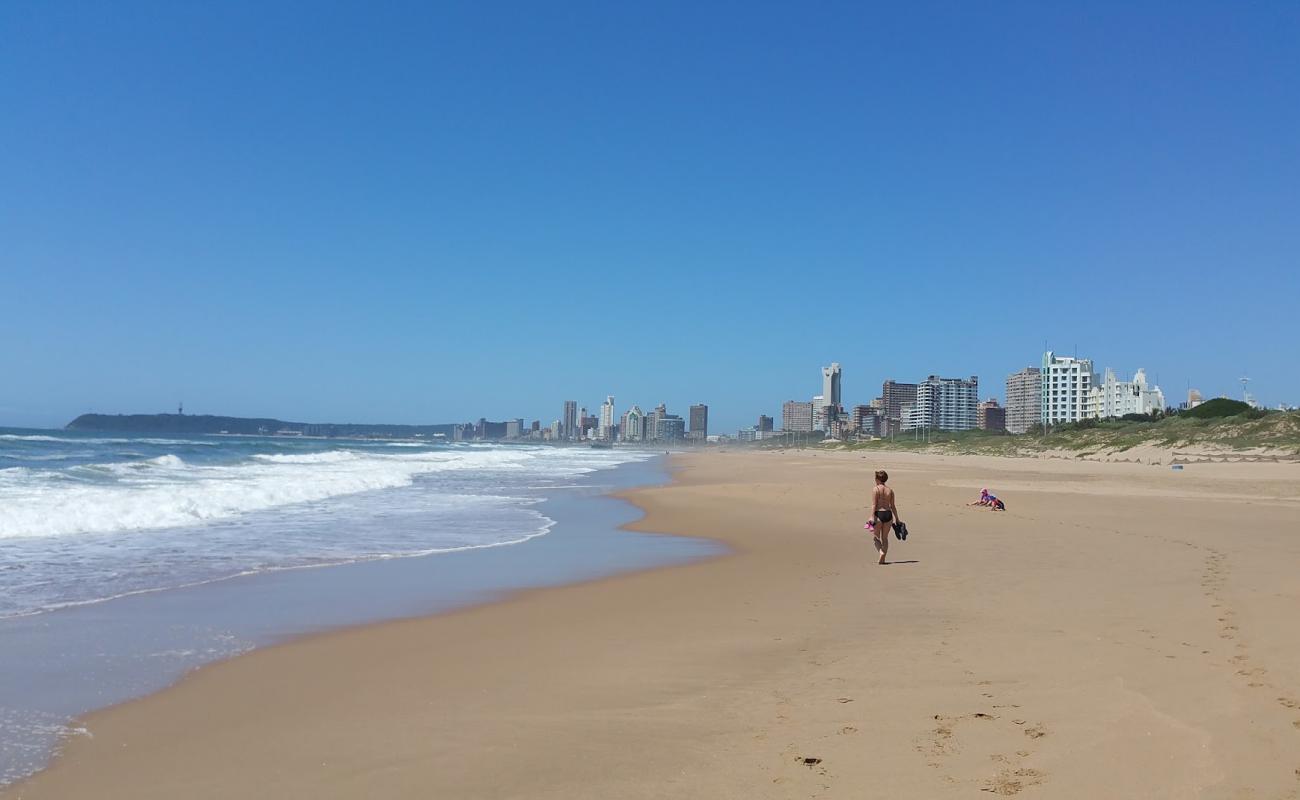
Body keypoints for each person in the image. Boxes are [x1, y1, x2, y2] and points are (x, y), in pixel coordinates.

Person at [871, 469, 901, 565]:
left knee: (876, 538)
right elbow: (893, 506)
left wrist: (872, 516)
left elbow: (874, 505)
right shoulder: (890, 490)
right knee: (885, 538)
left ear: (878, 479)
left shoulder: (875, 489)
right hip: (888, 514)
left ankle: (881, 552)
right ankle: (883, 559)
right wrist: (897, 518)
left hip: (878, 514)